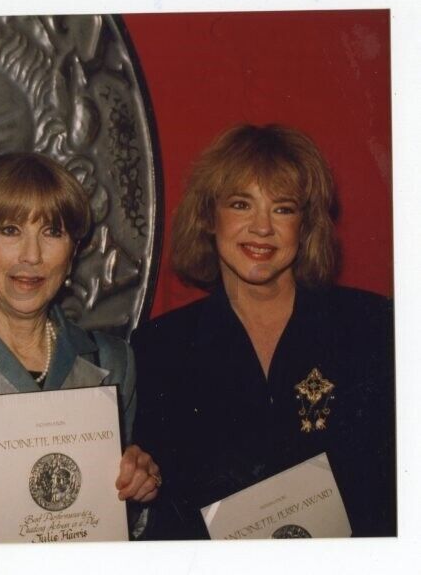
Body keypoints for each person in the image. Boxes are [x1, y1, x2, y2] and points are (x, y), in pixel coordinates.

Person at [132, 124, 395, 539]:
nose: (262, 228)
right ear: (208, 217)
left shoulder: (372, 326)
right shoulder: (159, 347)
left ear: (306, 226)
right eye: (241, 204)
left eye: (283, 208)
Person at [0, 152, 161, 543]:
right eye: (10, 230)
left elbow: (108, 519)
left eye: (52, 232)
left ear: (72, 253)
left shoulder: (113, 361)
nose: (31, 256)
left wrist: (137, 483)